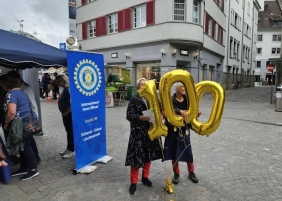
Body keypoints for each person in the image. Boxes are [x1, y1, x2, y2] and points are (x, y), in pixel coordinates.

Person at [125, 78, 163, 195]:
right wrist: (139, 117)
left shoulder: (153, 98)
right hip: (138, 133)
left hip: (151, 131)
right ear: (137, 87)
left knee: (148, 155)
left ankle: (145, 177)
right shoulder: (134, 99)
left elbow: (160, 111)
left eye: (144, 84)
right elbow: (129, 115)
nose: (143, 86)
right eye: (140, 85)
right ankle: (133, 182)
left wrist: (161, 115)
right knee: (136, 158)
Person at [1, 74, 39, 180]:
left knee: (25, 146)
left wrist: (6, 123)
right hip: (26, 121)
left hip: (19, 123)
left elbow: (11, 112)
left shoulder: (11, 93)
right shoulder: (21, 91)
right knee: (23, 146)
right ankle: (24, 166)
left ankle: (33, 169)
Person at [163, 82, 201, 185]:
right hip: (173, 128)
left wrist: (196, 113)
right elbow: (168, 110)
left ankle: (191, 171)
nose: (184, 89)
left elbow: (192, 110)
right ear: (177, 89)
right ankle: (176, 173)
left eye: (184, 87)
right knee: (174, 151)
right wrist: (180, 111)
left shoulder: (188, 99)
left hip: (184, 128)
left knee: (188, 150)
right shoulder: (170, 99)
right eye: (182, 87)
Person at [5, 71, 42, 163]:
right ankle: (29, 161)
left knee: (28, 139)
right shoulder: (18, 89)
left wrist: (34, 118)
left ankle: (35, 157)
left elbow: (33, 104)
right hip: (24, 117)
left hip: (27, 117)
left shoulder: (25, 88)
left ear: (18, 79)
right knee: (27, 139)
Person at [55, 75, 74, 159]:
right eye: (57, 81)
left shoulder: (68, 90)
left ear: (64, 80)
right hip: (65, 114)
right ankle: (69, 148)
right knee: (68, 131)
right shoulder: (64, 89)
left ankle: (72, 150)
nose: (58, 83)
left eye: (59, 81)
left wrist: (66, 113)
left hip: (68, 115)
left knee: (70, 132)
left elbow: (72, 104)